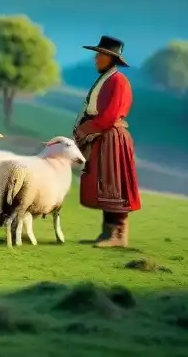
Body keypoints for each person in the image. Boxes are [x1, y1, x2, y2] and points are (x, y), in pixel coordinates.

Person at [72, 35, 141, 248]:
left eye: (100, 55)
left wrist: (86, 129)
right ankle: (107, 233)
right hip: (101, 136)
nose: (96, 59)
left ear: (111, 59)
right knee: (104, 184)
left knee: (114, 184)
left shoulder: (118, 81)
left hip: (111, 137)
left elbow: (110, 115)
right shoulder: (105, 79)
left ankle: (118, 234)